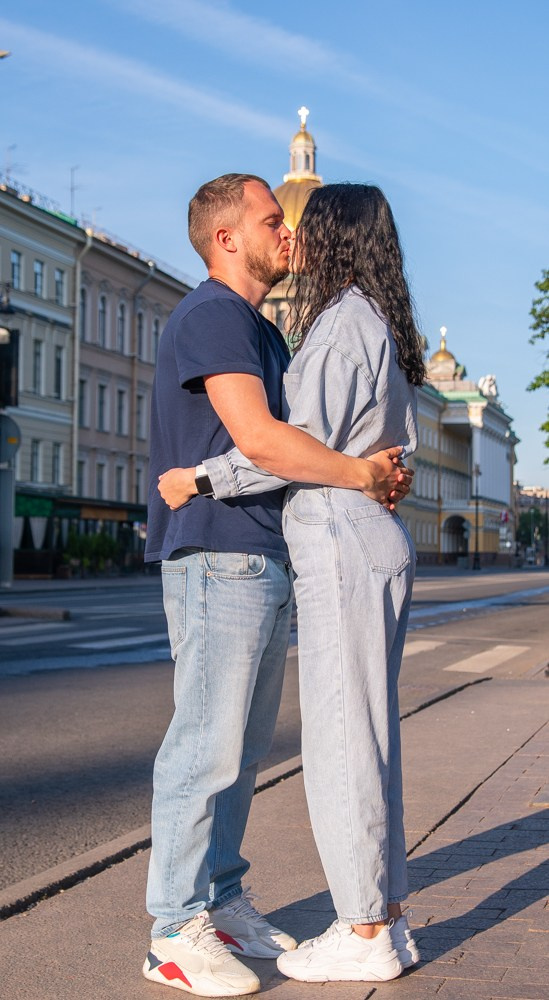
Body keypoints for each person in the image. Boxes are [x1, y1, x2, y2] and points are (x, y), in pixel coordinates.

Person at [143, 173, 414, 997]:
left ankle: (221, 901)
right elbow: (265, 441)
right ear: (227, 238)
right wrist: (363, 474)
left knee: (243, 749)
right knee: (206, 744)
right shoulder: (215, 314)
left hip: (261, 554)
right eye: (271, 221)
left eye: (292, 222)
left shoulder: (264, 329)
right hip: (218, 548)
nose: (287, 232)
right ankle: (173, 928)